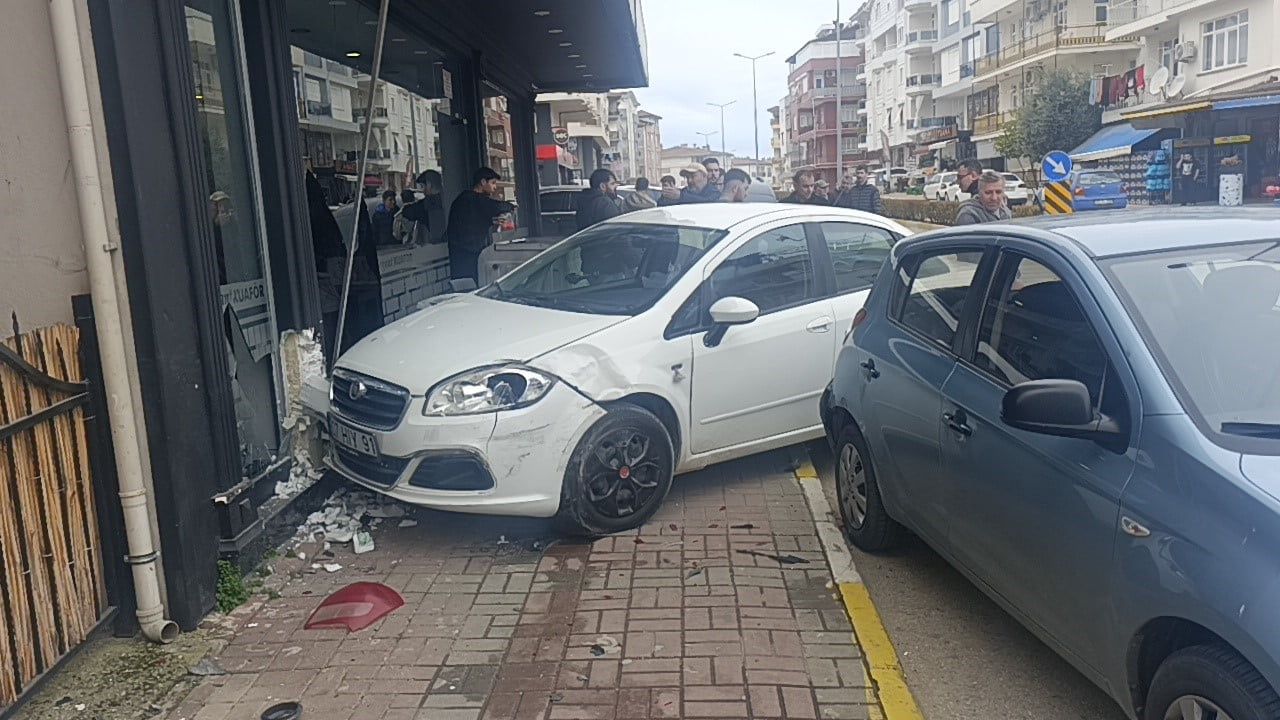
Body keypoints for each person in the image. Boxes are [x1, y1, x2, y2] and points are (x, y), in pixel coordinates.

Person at [445, 167, 514, 282]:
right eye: (493, 183)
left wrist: (491, 221)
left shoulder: (465, 199)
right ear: (483, 182)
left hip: (461, 254)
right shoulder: (473, 199)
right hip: (468, 254)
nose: (495, 187)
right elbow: (497, 207)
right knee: (471, 285)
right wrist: (511, 206)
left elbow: (472, 221)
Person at [400, 169, 445, 243]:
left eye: (422, 186)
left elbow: (409, 212)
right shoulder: (448, 198)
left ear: (429, 184)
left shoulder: (428, 204)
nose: (422, 190)